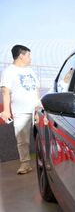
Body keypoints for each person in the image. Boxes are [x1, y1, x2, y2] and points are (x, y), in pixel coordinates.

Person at [0, 45, 41, 175]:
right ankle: (25, 164)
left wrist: (39, 106)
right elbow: (5, 91)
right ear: (21, 56)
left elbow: (37, 89)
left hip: (35, 110)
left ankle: (44, 161)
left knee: (41, 136)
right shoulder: (9, 71)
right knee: (22, 140)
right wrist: (6, 110)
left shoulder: (31, 71)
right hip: (20, 111)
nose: (30, 58)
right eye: (28, 55)